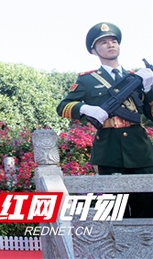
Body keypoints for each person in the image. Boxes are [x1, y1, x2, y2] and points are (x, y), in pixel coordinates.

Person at [57, 22, 153, 218]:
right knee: (116, 211)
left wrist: (150, 89)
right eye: (103, 42)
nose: (110, 45)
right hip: (110, 152)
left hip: (140, 150)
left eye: (114, 41)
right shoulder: (87, 80)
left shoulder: (136, 78)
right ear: (94, 50)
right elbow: (63, 107)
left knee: (147, 207)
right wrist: (86, 108)